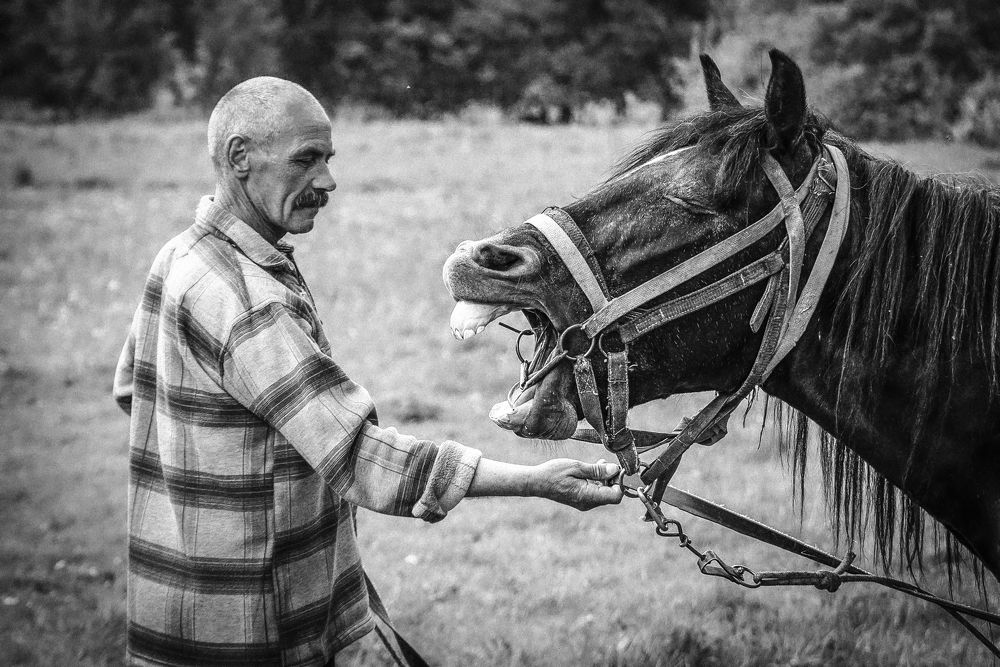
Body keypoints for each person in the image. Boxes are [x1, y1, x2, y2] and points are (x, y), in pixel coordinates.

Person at [112, 76, 623, 666]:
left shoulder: (180, 255)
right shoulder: (251, 301)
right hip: (265, 628)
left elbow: (135, 390)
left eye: (328, 160)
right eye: (306, 160)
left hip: (176, 611)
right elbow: (359, 456)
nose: (327, 181)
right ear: (239, 158)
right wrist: (536, 481)